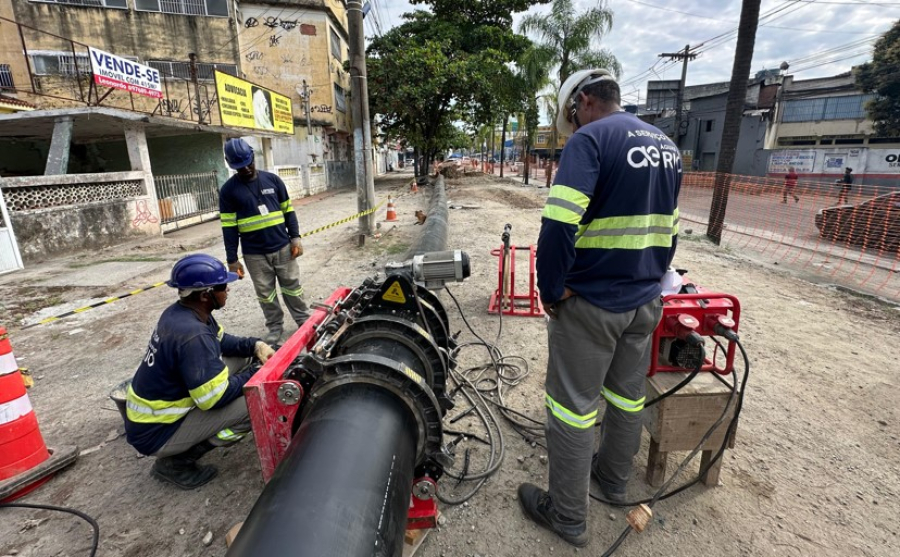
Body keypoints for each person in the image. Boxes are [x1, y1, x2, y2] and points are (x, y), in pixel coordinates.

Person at [521, 69, 681, 547]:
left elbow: (557, 226)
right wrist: (653, 281)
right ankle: (612, 480)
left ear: (585, 100)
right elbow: (670, 229)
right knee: (627, 397)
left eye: (573, 115)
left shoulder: (590, 141)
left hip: (591, 304)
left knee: (571, 408)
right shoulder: (666, 146)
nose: (574, 125)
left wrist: (552, 290)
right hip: (644, 301)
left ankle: (568, 515)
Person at [124, 254, 277, 489]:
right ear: (206, 295)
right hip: (157, 433)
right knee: (255, 403)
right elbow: (213, 399)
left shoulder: (183, 314)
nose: (228, 291)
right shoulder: (193, 336)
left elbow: (223, 341)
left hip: (151, 419)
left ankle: (187, 444)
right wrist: (255, 373)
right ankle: (177, 462)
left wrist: (255, 346)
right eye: (223, 286)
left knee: (245, 357)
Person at [220, 138, 310, 344]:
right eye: (240, 167)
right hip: (254, 254)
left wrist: (295, 237)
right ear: (231, 164)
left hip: (283, 247)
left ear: (253, 156)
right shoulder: (228, 191)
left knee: (292, 286)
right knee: (265, 294)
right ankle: (275, 327)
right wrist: (232, 260)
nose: (246, 169)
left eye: (249, 163)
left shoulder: (273, 180)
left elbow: (288, 211)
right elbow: (229, 228)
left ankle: (303, 319)